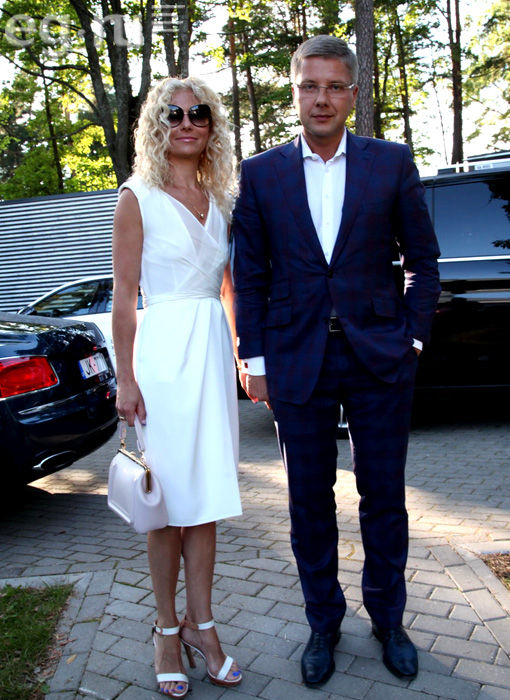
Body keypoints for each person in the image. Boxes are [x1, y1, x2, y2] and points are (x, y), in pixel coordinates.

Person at [232, 35, 441, 687]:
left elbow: (424, 262)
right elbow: (250, 274)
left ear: (353, 93)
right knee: (307, 502)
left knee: (384, 497)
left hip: (379, 358)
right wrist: (252, 357)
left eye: (333, 87)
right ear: (294, 91)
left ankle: (389, 619)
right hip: (296, 360)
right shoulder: (260, 174)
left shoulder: (391, 162)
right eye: (309, 86)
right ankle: (323, 622)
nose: (320, 98)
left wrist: (411, 339)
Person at [112, 76, 243, 698]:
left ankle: (203, 625)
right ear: (157, 125)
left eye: (198, 113)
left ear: (212, 125)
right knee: (165, 505)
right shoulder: (136, 195)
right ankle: (167, 631)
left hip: (211, 356)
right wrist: (126, 377)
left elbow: (227, 288)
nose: (187, 122)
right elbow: (124, 295)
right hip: (162, 358)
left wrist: (241, 356)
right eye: (174, 113)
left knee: (206, 499)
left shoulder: (221, 199)